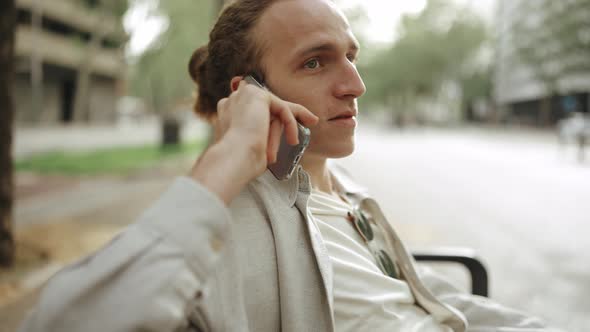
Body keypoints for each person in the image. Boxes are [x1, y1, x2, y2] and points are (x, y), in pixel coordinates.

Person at [20, 0, 564, 331]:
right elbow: (65, 322)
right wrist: (230, 155)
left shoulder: (342, 188)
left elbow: (424, 301)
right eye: (315, 61)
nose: (355, 83)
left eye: (350, 55)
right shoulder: (234, 218)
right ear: (252, 94)